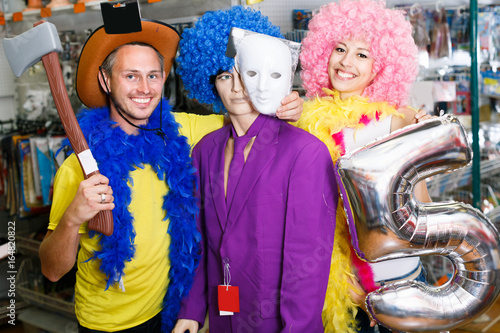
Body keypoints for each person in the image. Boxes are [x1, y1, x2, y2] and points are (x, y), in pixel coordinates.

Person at [38, 12, 303, 333]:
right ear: (106, 81)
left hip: (175, 311)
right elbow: (52, 271)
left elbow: (249, 121)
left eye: (153, 75)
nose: (145, 88)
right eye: (131, 76)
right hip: (109, 323)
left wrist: (283, 106)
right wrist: (71, 219)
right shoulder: (79, 168)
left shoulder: (184, 131)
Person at [172, 6, 337, 332]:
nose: (235, 88)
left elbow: (306, 264)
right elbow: (201, 239)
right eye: (223, 76)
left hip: (276, 320)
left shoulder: (305, 153)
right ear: (210, 83)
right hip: (224, 315)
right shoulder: (205, 150)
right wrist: (192, 309)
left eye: (243, 73)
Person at [294, 1, 432, 332]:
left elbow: (423, 206)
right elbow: (305, 216)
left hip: (397, 280)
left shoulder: (396, 121)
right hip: (338, 286)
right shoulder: (303, 124)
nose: (345, 61)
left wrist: (423, 142)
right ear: (322, 53)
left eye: (362, 54)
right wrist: (337, 278)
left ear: (381, 67)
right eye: (340, 48)